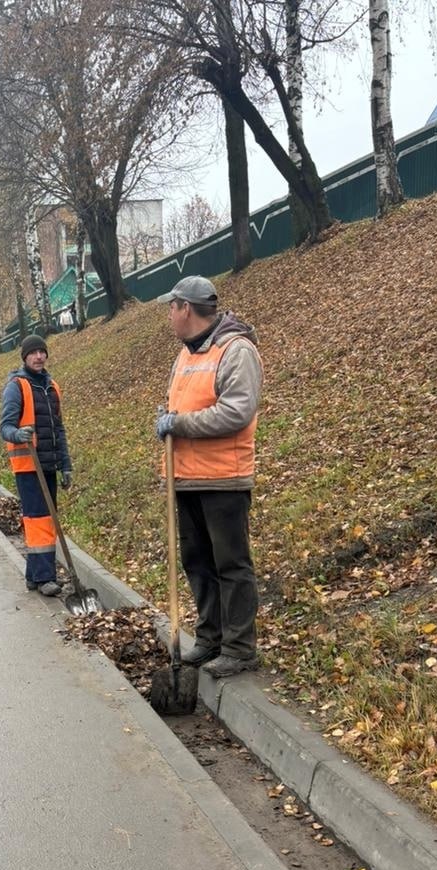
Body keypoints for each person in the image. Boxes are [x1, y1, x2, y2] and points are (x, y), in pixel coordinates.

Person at [154, 276, 263, 678]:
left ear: (185, 308)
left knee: (230, 564)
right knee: (197, 561)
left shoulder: (236, 350)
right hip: (186, 478)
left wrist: (178, 423)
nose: (169, 315)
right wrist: (166, 420)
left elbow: (237, 411)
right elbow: (179, 406)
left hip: (223, 479)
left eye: (171, 307)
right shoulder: (184, 356)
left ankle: (239, 647)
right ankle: (210, 637)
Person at [0, 334, 73, 596]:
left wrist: (66, 464)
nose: (39, 356)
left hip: (50, 464)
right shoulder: (16, 386)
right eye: (34, 353)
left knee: (42, 519)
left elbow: (59, 429)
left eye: (42, 352)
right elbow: (5, 426)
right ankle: (44, 578)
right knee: (39, 520)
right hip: (28, 465)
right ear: (25, 357)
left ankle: (34, 575)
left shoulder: (52, 387)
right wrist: (18, 434)